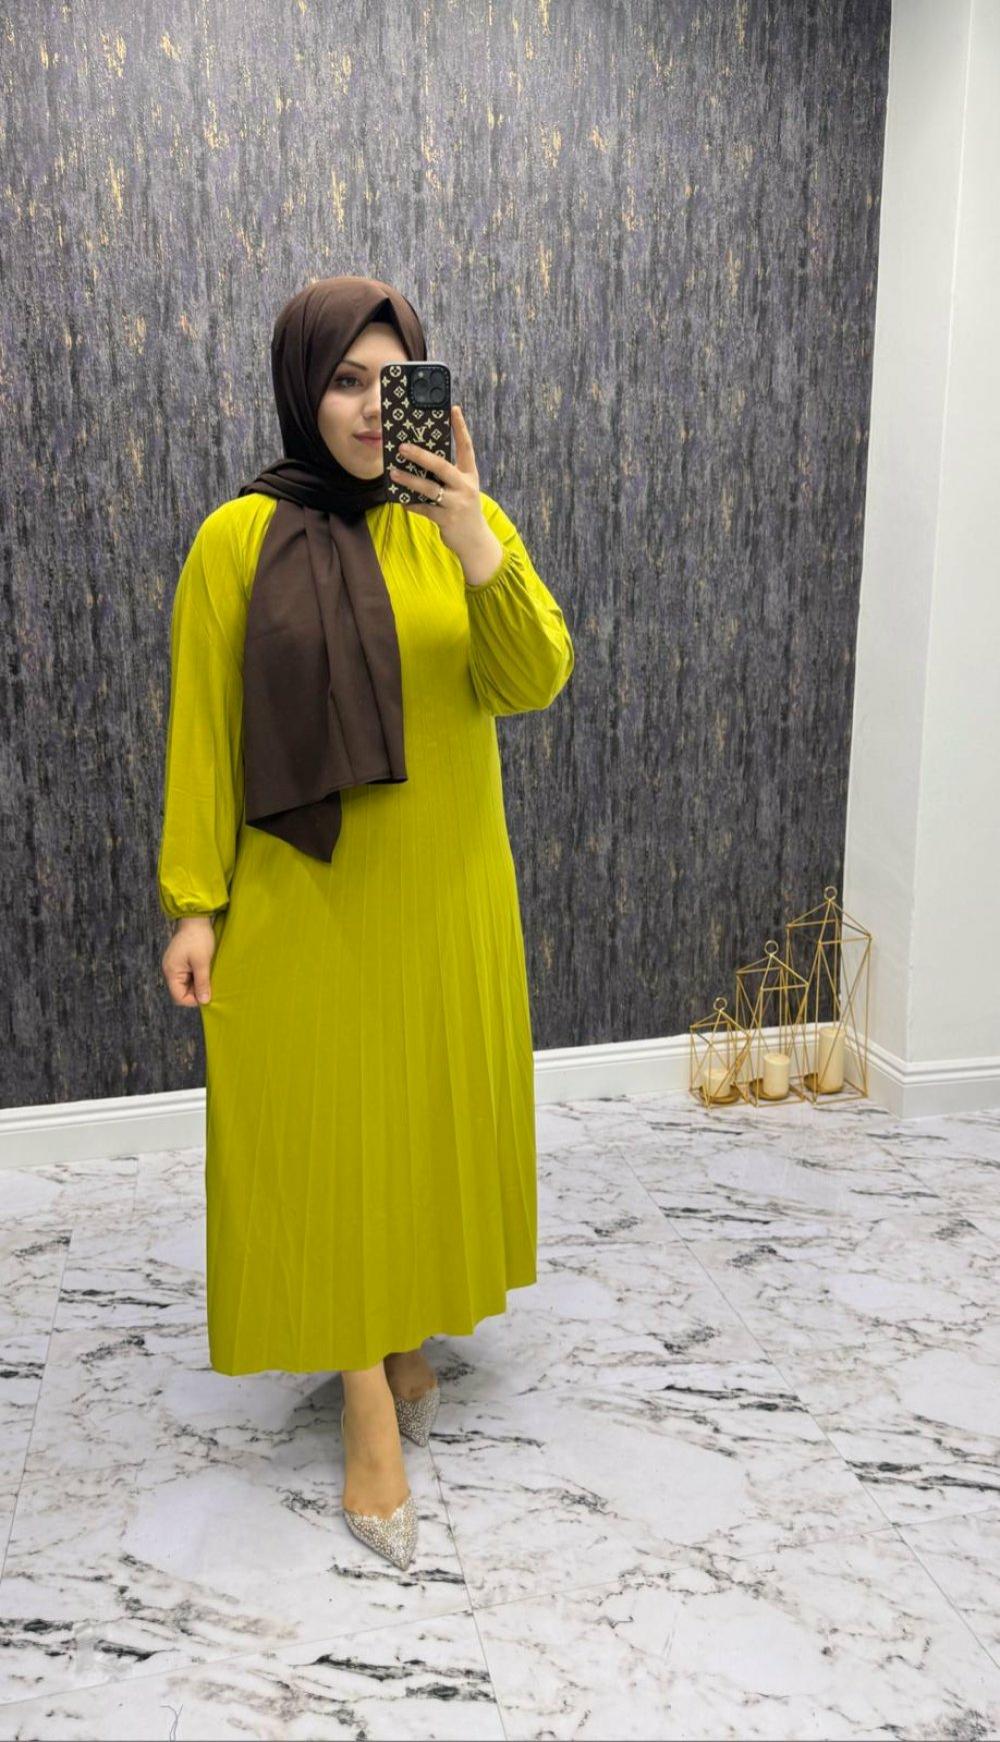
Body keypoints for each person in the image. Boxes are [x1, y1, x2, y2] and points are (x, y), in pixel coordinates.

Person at [156, 275, 575, 1570]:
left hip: (445, 890)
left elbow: (533, 676)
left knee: (418, 1123)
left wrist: (478, 540)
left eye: (393, 381)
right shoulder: (237, 539)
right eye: (344, 380)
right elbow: (204, 731)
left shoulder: (456, 522)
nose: (367, 407)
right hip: (307, 897)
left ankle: (400, 1330)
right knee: (327, 1139)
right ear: (302, 387)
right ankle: (365, 1403)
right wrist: (194, 903)